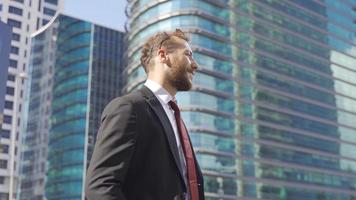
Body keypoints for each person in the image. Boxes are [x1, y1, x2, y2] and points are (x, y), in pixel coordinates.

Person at [85, 28, 205, 200]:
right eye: (188, 54)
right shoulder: (129, 108)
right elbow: (100, 186)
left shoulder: (176, 119)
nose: (195, 65)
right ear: (163, 55)